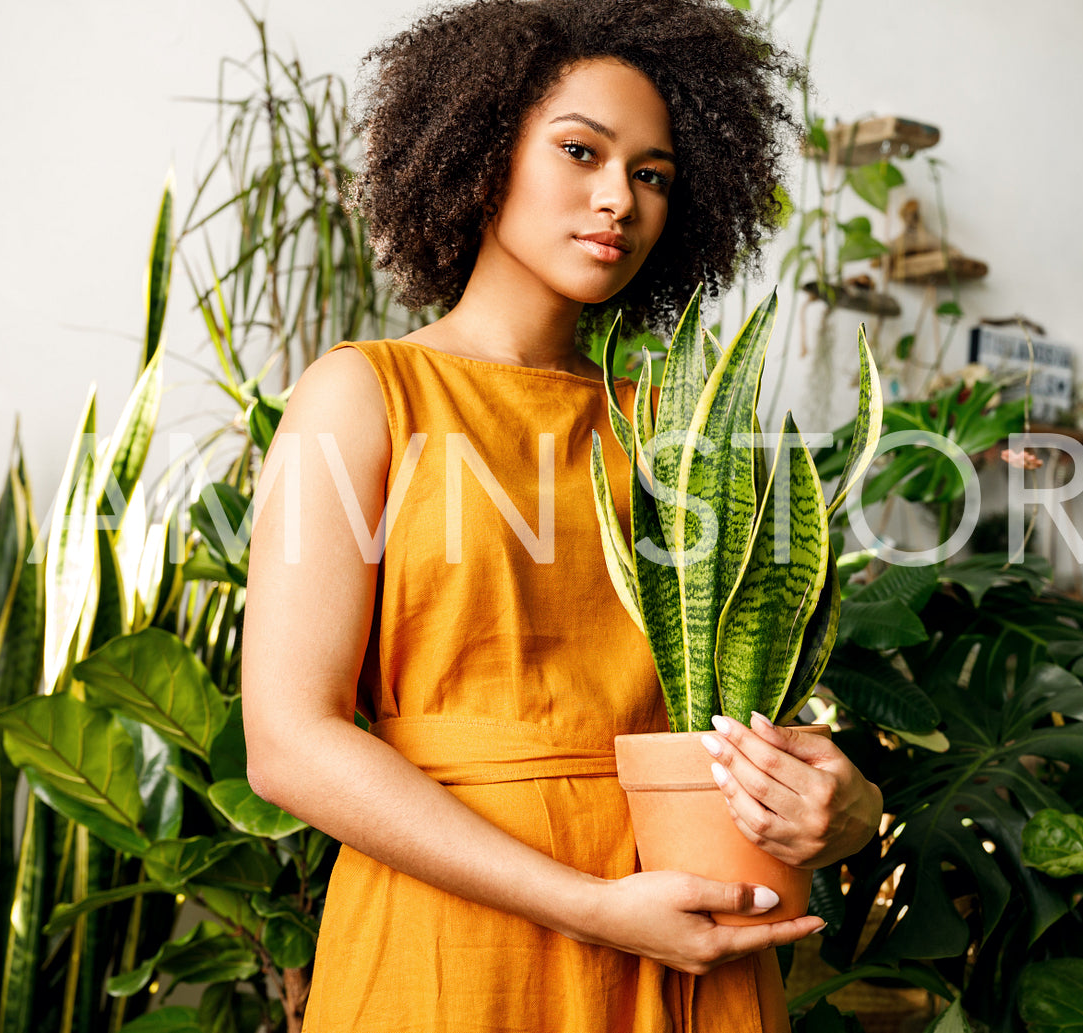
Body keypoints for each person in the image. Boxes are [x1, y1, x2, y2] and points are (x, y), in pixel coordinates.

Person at [241, 1, 885, 1029]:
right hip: (457, 945)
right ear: (480, 146)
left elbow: (732, 715)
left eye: (652, 174)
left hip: (687, 941)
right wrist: (592, 910)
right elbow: (286, 742)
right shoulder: (364, 394)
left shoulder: (672, 432)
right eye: (579, 150)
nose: (615, 198)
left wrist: (843, 812)